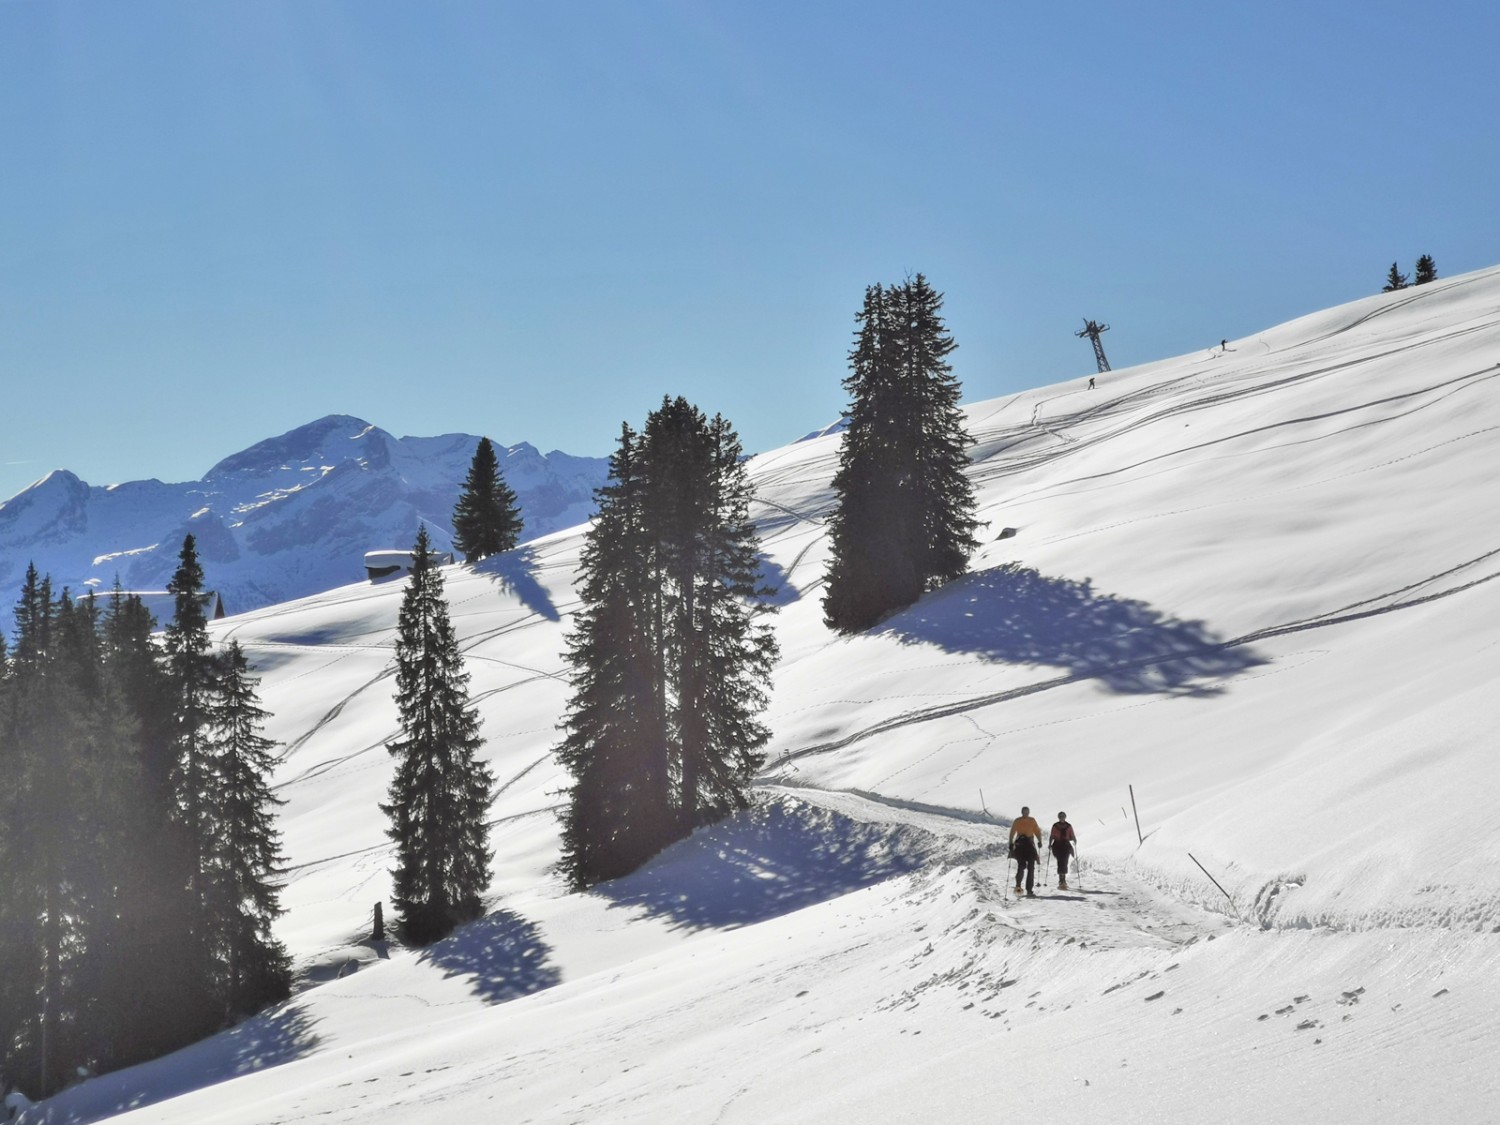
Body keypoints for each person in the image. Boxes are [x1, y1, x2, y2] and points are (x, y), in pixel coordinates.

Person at [1009, 806, 1043, 896]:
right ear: (1022, 812)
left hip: (1030, 845)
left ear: (1029, 812)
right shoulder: (1017, 821)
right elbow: (1012, 832)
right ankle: (1018, 886)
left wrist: (1040, 840)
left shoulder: (1032, 820)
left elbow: (1037, 831)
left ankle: (1029, 889)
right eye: (1024, 812)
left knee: (1031, 867)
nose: (1026, 813)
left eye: (1027, 811)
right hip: (1020, 844)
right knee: (1021, 865)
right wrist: (1011, 843)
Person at [1050, 811, 1077, 890]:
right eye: (1060, 816)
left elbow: (1072, 834)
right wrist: (1049, 844)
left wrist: (1075, 840)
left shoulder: (1068, 826)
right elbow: (1052, 835)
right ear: (1059, 817)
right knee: (1061, 861)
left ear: (1065, 817)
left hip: (1065, 845)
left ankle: (1062, 879)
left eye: (1063, 816)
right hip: (1057, 845)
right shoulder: (1055, 826)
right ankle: (1062, 879)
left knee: (1064, 861)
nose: (1062, 818)